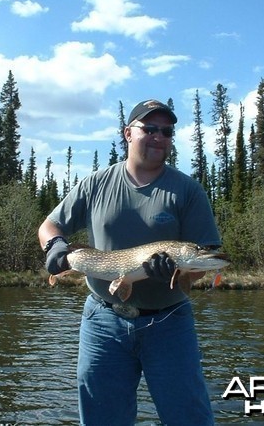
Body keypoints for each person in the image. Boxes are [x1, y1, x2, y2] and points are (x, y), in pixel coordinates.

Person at [38, 99, 222, 425]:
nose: (158, 136)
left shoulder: (188, 191)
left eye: (166, 131)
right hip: (103, 322)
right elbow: (49, 227)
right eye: (149, 128)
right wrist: (55, 248)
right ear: (128, 133)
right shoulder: (95, 184)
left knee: (189, 418)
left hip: (169, 323)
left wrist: (181, 275)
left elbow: (201, 263)